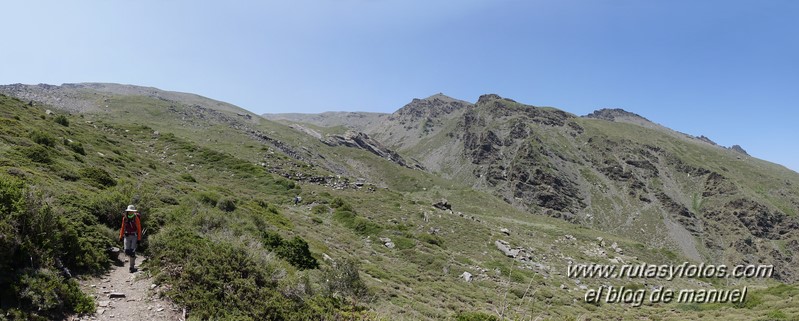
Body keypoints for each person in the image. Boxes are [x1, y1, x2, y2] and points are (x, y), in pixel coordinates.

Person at [119, 205, 142, 273]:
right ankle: (132, 263)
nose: (130, 212)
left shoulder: (136, 218)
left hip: (134, 236)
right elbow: (122, 227)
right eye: (129, 211)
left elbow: (139, 229)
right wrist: (120, 236)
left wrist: (139, 238)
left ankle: (131, 267)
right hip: (126, 236)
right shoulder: (125, 218)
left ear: (133, 211)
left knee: (132, 252)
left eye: (131, 211)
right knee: (126, 251)